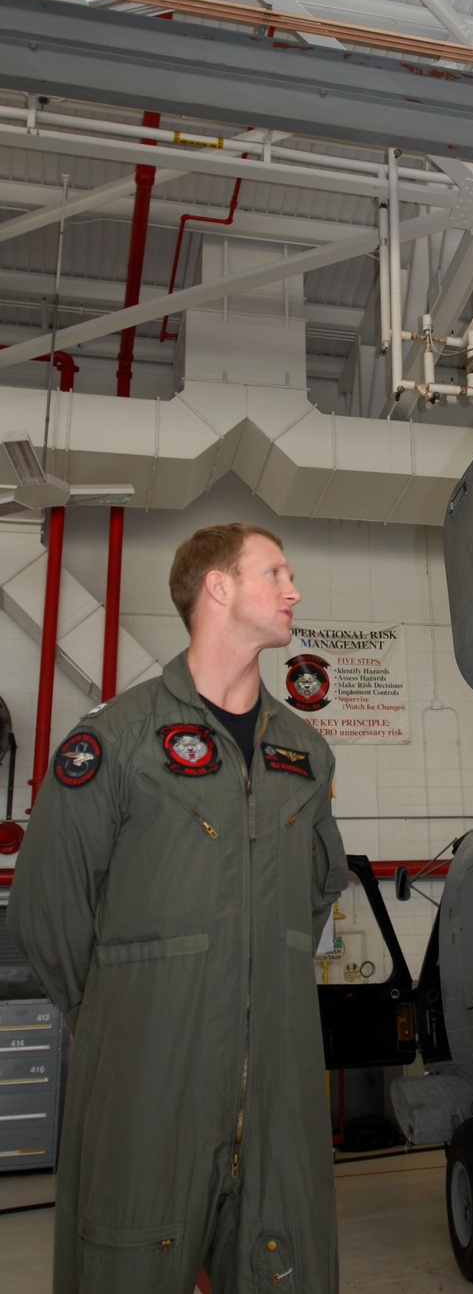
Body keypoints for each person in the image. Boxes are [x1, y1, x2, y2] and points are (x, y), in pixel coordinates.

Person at [9, 523, 347, 1294]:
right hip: (147, 1086)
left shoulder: (303, 752)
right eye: (275, 573)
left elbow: (320, 883)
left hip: (281, 1094)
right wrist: (129, 1018)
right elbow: (47, 912)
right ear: (218, 588)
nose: (293, 591)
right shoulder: (116, 741)